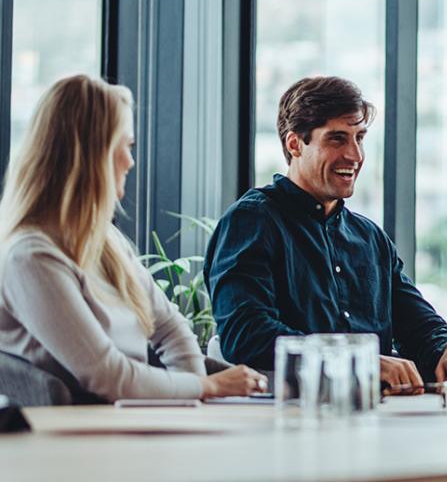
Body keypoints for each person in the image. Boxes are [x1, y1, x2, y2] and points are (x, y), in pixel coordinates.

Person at [0, 75, 266, 402]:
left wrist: (193, 397)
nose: (131, 161)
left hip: (126, 420)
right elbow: (107, 375)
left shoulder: (104, 241)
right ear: (90, 155)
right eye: (124, 146)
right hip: (76, 437)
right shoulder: (30, 258)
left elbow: (170, 327)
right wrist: (207, 386)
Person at [205, 76, 447, 394]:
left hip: (378, 419)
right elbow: (246, 335)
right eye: (337, 139)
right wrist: (361, 361)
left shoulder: (370, 238)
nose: (355, 155)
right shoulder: (252, 221)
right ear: (295, 144)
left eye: (360, 138)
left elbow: (417, 323)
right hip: (286, 422)